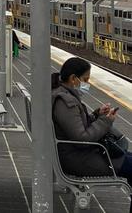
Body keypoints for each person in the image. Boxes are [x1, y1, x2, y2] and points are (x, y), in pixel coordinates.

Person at [52, 56, 132, 210]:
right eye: (85, 79)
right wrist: (105, 121)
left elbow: (76, 125)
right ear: (73, 78)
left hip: (78, 154)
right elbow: (82, 139)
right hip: (79, 159)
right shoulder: (65, 102)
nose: (87, 84)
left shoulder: (63, 95)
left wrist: (96, 115)